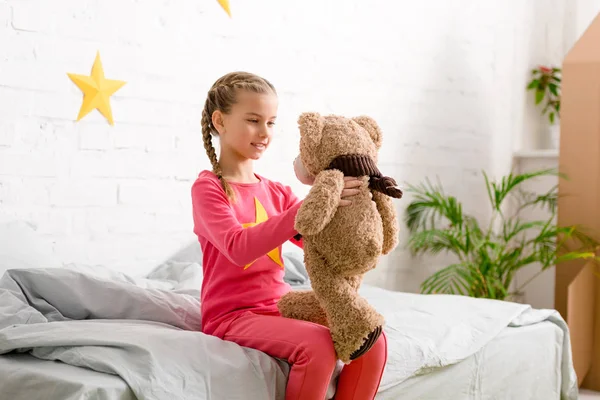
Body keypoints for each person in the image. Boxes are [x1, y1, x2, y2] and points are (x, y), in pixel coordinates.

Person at [191, 71, 387, 400]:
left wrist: (350, 207)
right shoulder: (208, 188)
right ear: (220, 121)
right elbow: (238, 248)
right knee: (318, 346)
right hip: (232, 315)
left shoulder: (278, 192)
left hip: (280, 305)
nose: (264, 132)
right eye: (253, 120)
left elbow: (317, 239)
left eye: (271, 123)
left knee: (369, 338)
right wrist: (307, 209)